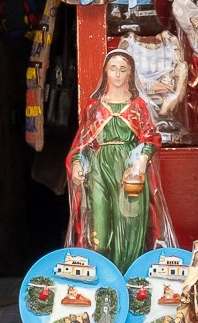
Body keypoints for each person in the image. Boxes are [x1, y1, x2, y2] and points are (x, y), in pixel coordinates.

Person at [66, 48, 172, 272]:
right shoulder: (94, 106)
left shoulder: (137, 106)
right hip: (98, 169)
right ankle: (104, 278)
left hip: (128, 170)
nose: (117, 74)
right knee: (100, 231)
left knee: (130, 226)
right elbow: (82, 142)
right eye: (113, 68)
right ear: (105, 71)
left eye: (123, 69)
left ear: (130, 73)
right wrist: (77, 163)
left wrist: (142, 160)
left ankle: (128, 277)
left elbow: (151, 137)